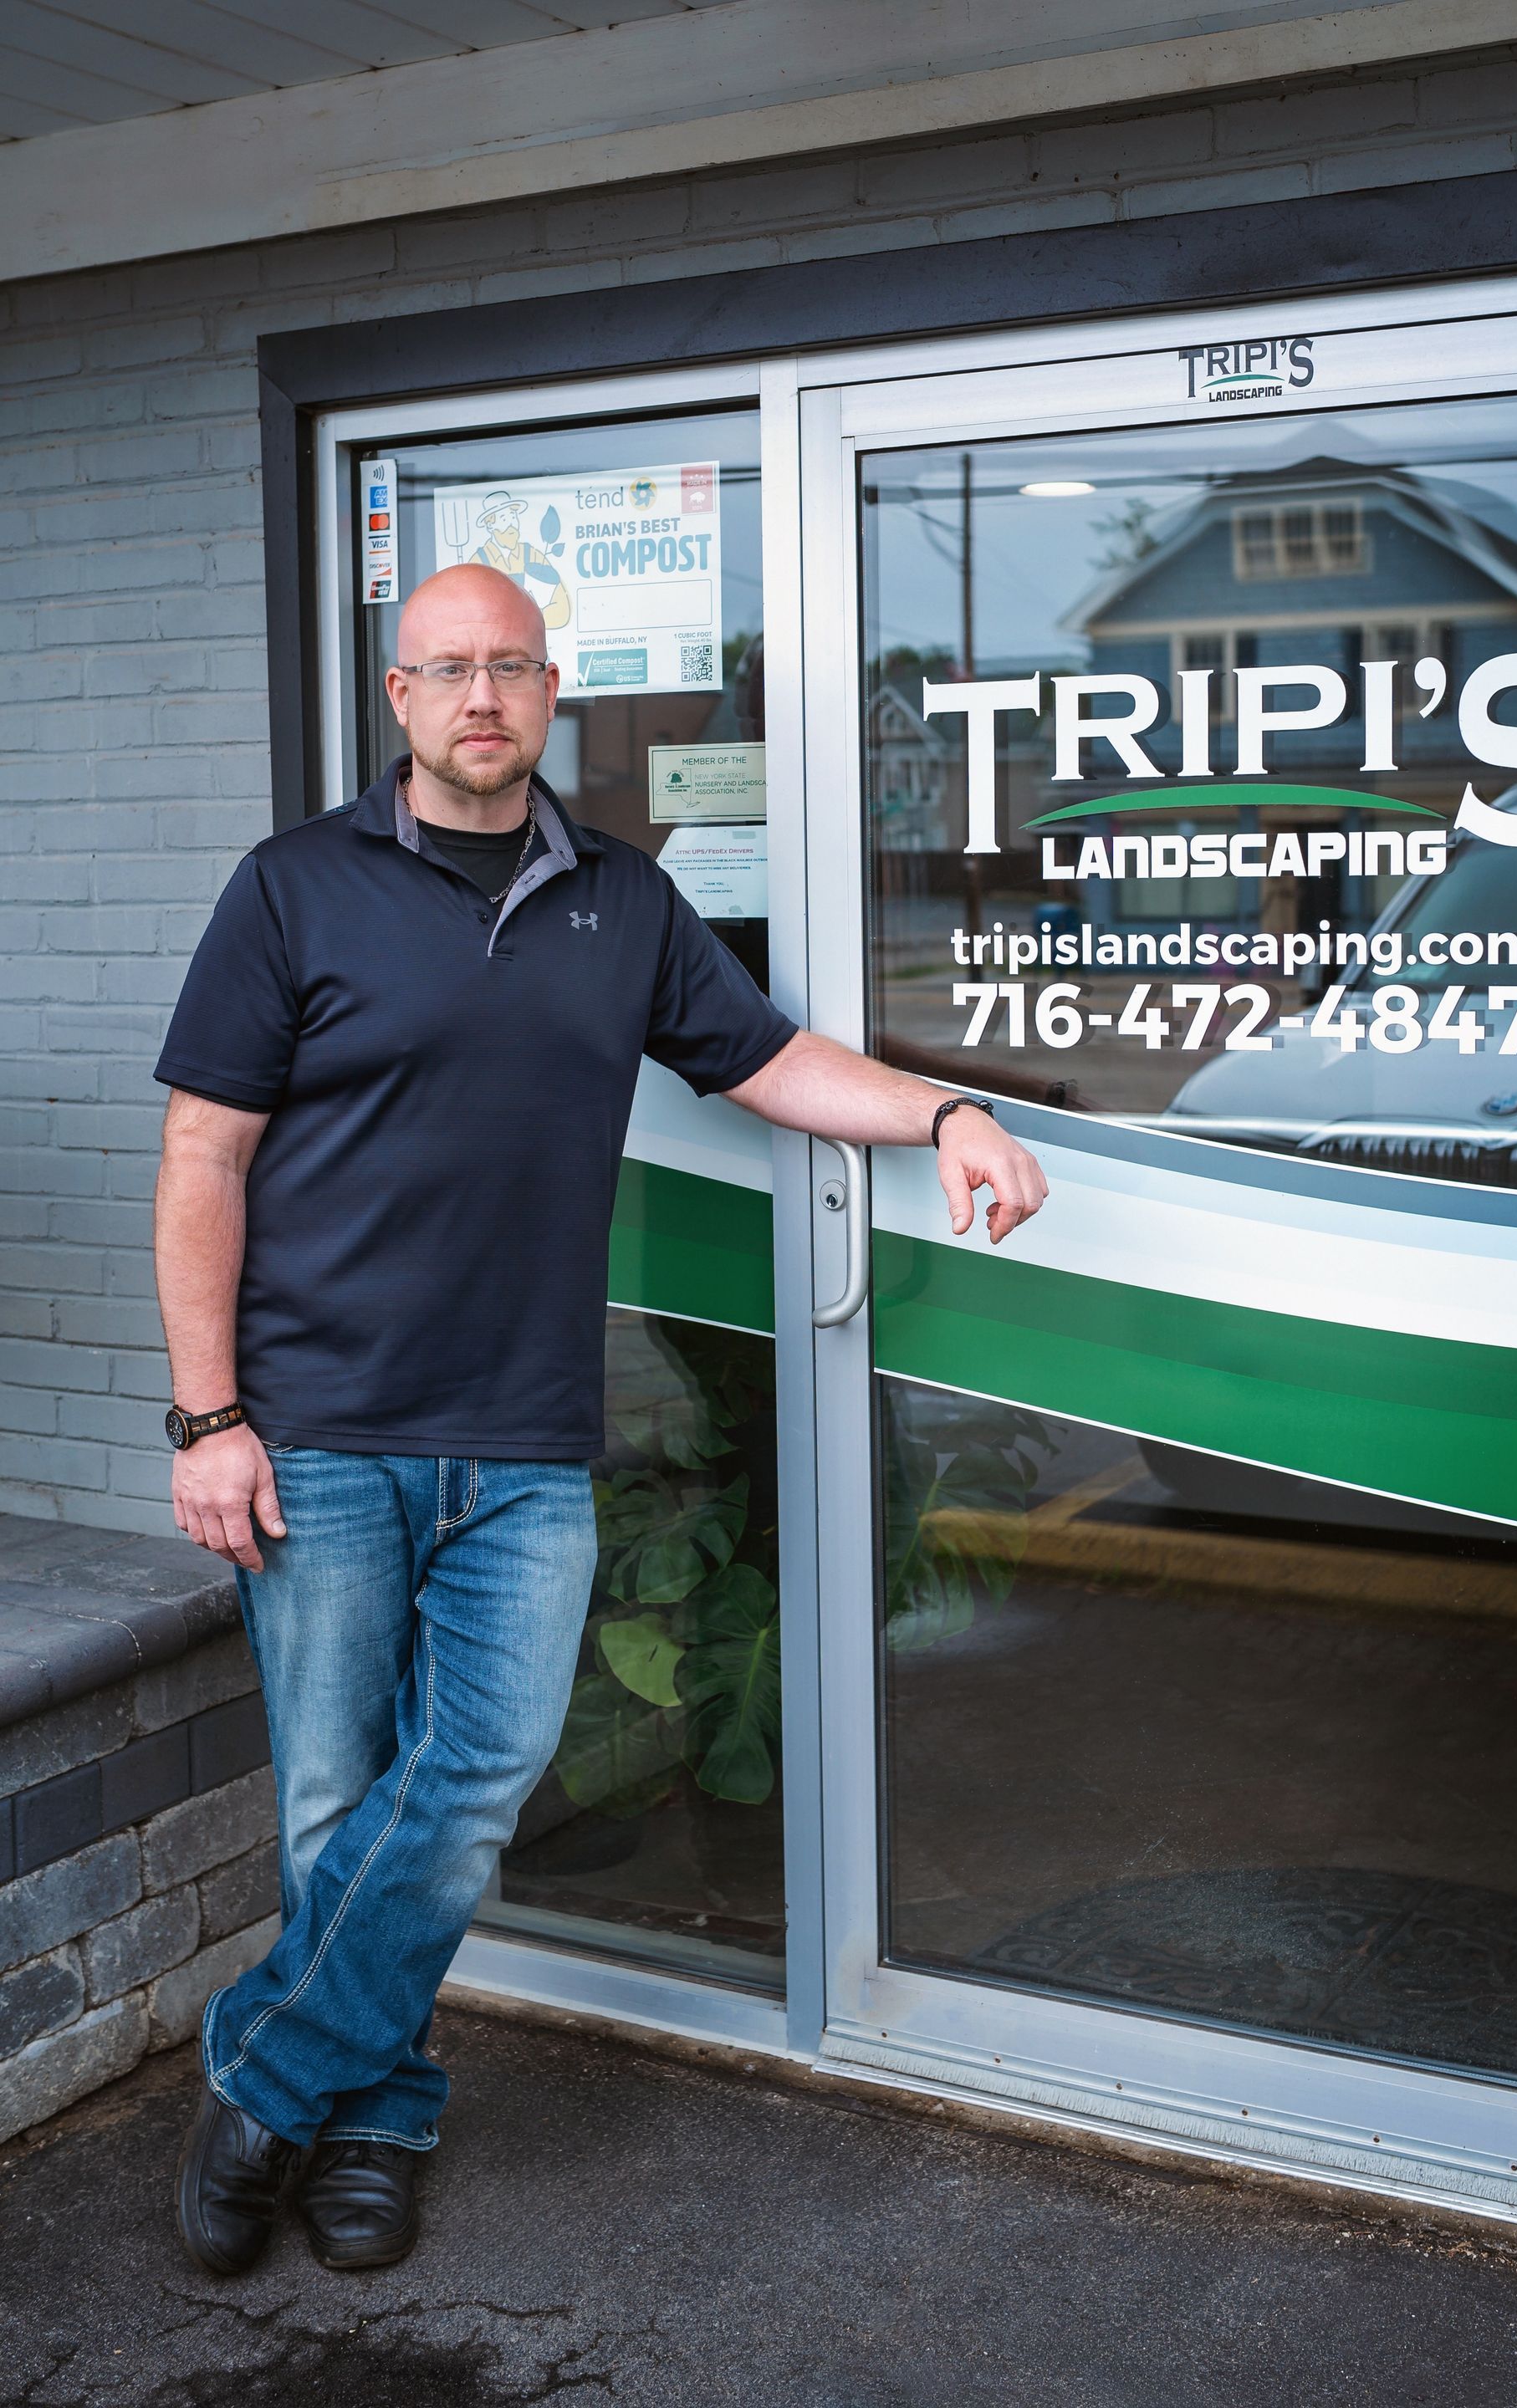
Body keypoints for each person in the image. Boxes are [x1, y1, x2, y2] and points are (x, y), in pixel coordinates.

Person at [153, 563, 1047, 2278]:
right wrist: (209, 1419)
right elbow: (204, 1155)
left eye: (510, 669)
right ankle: (376, 2116)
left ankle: (263, 2084)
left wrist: (943, 1108)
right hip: (321, 1432)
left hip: (528, 1440)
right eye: (446, 671)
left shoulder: (620, 902)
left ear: (552, 694)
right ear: (398, 699)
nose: (479, 699)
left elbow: (772, 1061)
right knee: (337, 1807)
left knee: (475, 1781)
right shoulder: (292, 891)